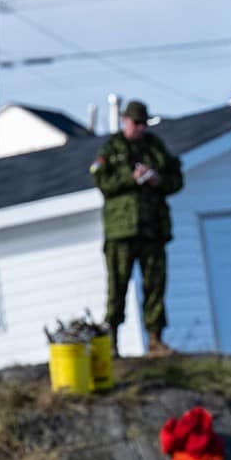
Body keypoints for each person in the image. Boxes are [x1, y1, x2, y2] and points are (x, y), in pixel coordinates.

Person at [92, 100, 184, 356]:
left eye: (144, 123)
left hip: (152, 228)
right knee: (117, 287)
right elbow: (102, 181)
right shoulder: (111, 149)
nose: (141, 128)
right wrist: (129, 179)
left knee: (155, 284)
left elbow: (176, 180)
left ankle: (155, 340)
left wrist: (157, 180)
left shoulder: (155, 148)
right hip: (121, 231)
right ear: (125, 121)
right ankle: (111, 342)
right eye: (136, 123)